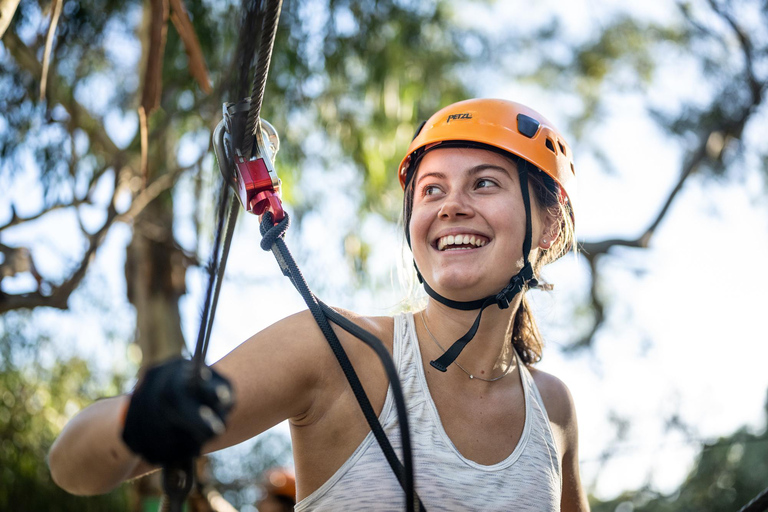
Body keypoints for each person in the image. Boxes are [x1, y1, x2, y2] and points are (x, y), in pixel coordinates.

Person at [49, 98, 590, 511]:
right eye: (431, 190)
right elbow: (71, 465)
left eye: (485, 183)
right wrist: (138, 417)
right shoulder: (336, 351)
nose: (451, 206)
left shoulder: (553, 410)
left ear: (548, 225)